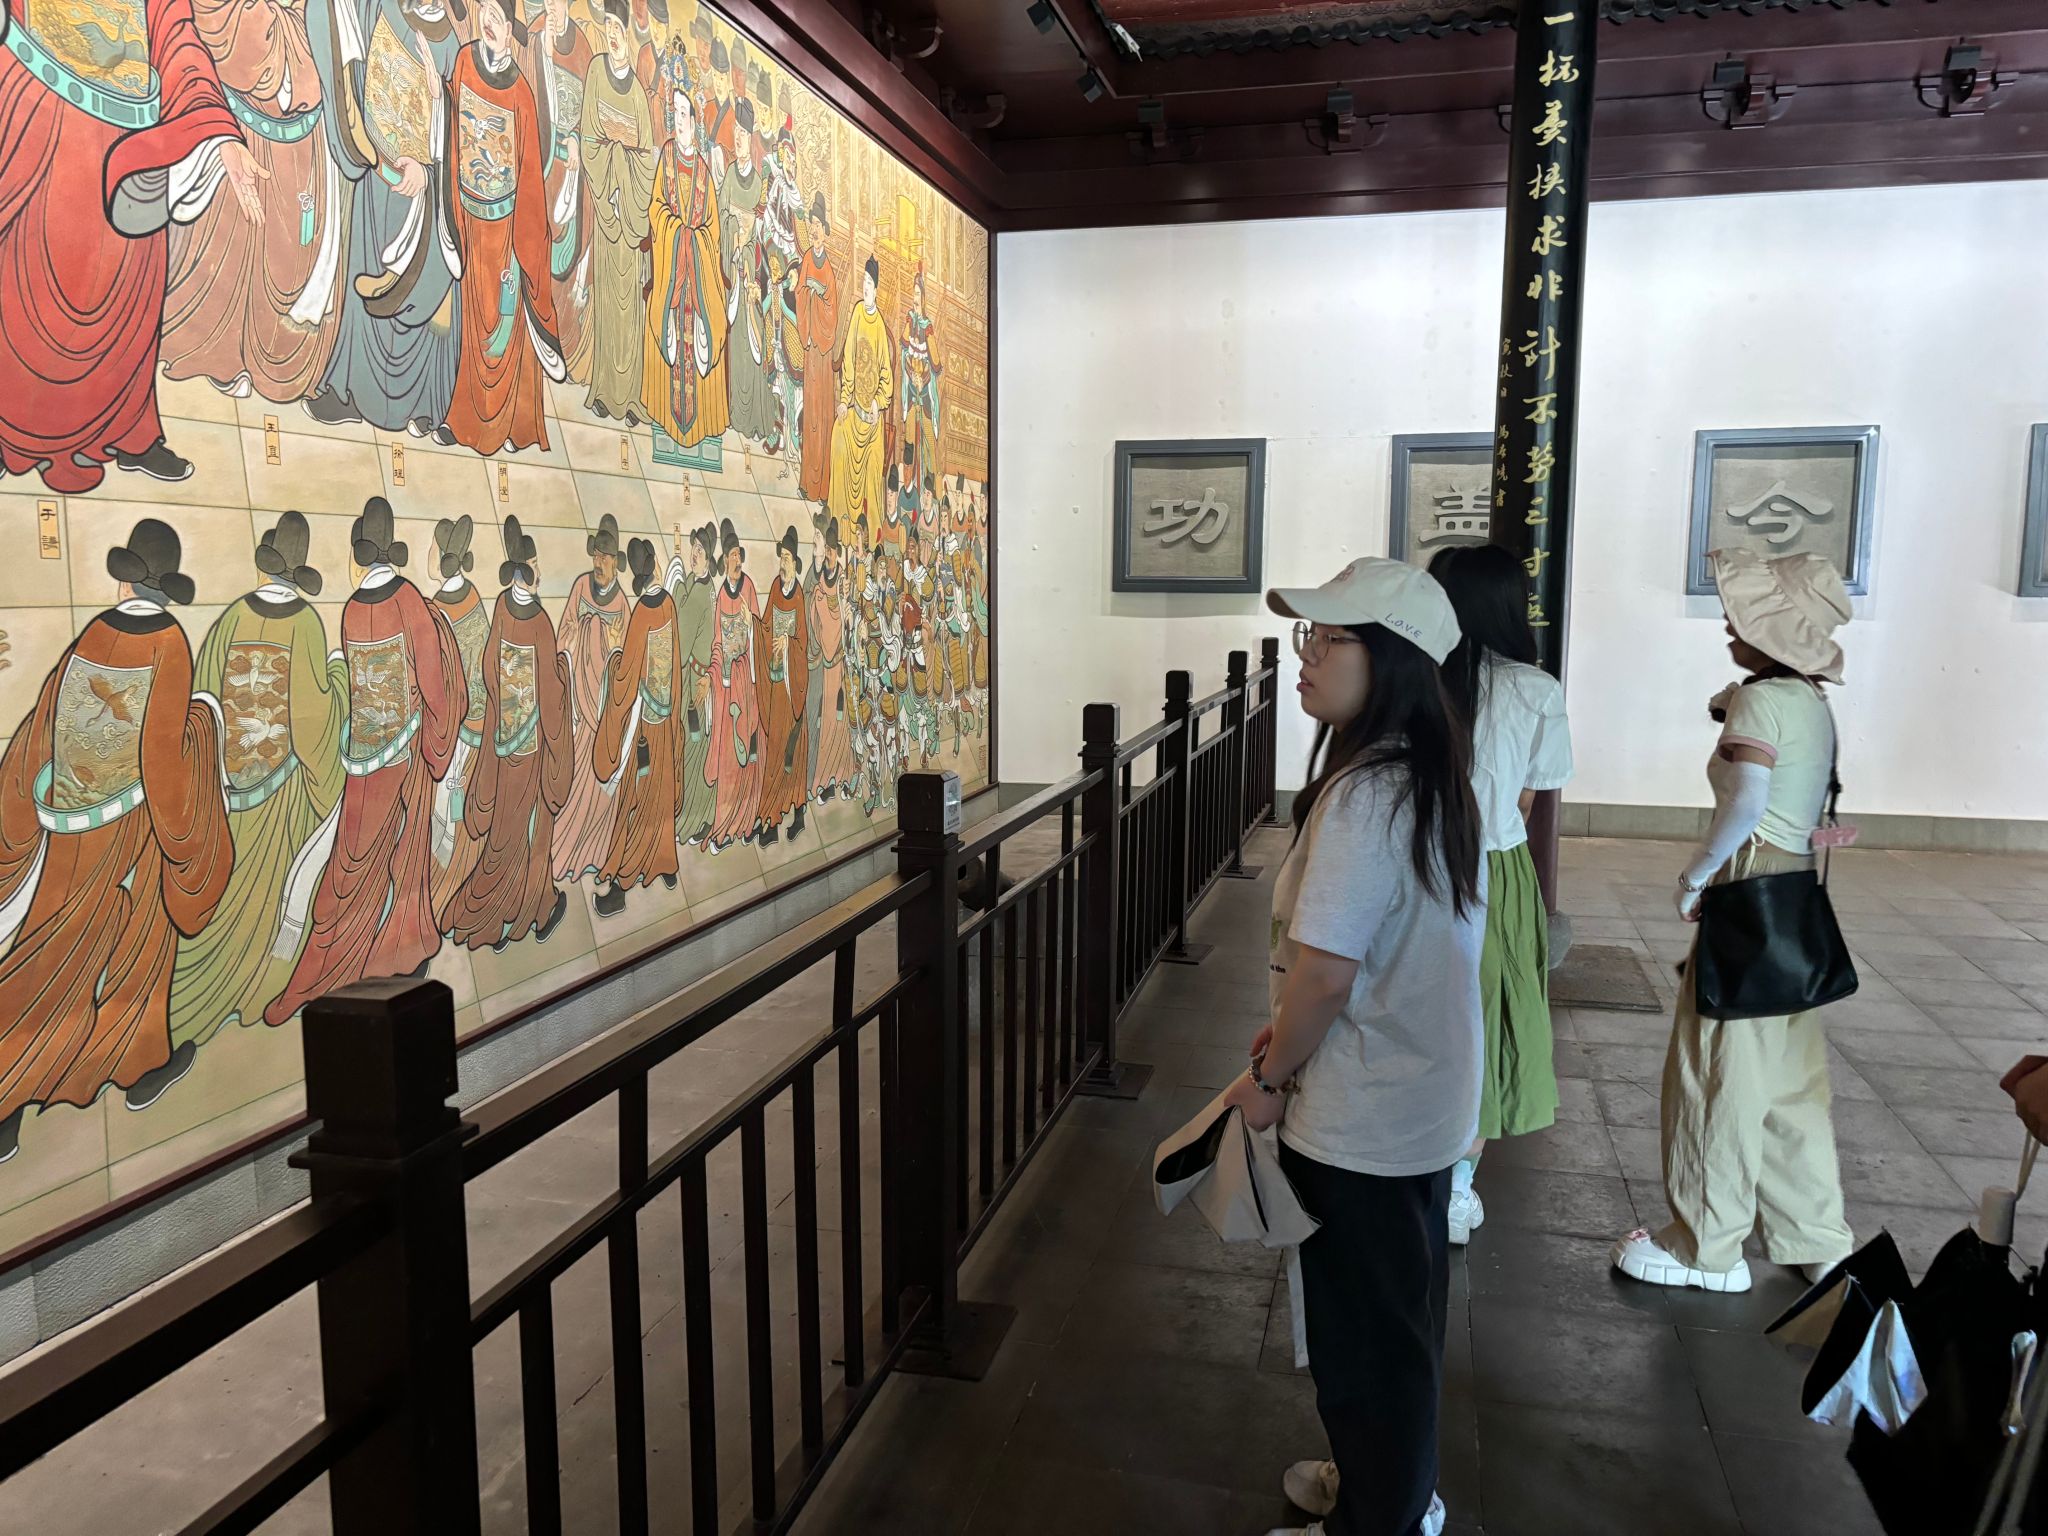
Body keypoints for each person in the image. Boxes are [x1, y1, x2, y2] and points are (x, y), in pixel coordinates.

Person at [1221, 557, 1484, 1536]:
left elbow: (1328, 977)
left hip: (1367, 1119)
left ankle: (1380, 1518)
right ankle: (1393, 1495)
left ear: (1393, 660)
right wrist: (1291, 1023)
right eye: (1310, 636)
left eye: (1329, 640)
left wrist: (1266, 1076)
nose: (1306, 657)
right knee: (1400, 1329)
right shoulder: (1428, 775)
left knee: (1365, 1347)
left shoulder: (1367, 796)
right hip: (1419, 1105)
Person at [1612, 549, 1858, 1294]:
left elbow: (1746, 803)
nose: (1728, 624)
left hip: (1748, 888)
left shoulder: (1761, 702)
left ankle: (1705, 1248)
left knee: (1715, 1074)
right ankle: (1816, 1236)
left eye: (1740, 616)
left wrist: (1695, 876)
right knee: (1791, 1082)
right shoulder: (1809, 700)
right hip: (1794, 896)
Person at [0, 521, 235, 1158]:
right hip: (132, 824)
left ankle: (15, 1099)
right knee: (143, 937)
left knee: (50, 942)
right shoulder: (168, 642)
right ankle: (134, 1067)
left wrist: (29, 807)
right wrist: (186, 831)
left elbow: (46, 720)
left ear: (126, 579)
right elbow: (161, 754)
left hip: (68, 818)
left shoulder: (94, 633)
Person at [263, 500, 467, 1024]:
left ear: (358, 559)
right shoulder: (411, 601)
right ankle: (403, 949)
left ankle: (334, 962)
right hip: (407, 756)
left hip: (365, 760)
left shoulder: (351, 610)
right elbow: (434, 684)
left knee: (351, 862)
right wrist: (438, 743)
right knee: (406, 855)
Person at [1428, 545, 1573, 1246]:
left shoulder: (1412, 675)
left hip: (1412, 862)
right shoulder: (1534, 689)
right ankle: (1455, 1189)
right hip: (1495, 867)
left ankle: (1401, 1168)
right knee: (1485, 1020)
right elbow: (1526, 798)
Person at [166, 514, 348, 1055]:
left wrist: (213, 775)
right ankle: (247, 999)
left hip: (228, 793)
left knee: (224, 896)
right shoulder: (306, 624)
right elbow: (314, 723)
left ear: (266, 565)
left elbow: (202, 702)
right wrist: (339, 678)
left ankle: (192, 1010)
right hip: (279, 798)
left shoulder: (232, 616)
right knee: (264, 903)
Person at [442, 0, 567, 456]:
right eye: (486, 13)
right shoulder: (464, 62)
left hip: (509, 229)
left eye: (498, 17)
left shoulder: (520, 92)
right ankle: (464, 423)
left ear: (511, 28)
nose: (489, 23)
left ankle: (512, 427)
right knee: (472, 330)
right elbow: (450, 134)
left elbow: (532, 173)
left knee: (506, 330)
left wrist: (525, 243)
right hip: (471, 221)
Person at [592, 538, 683, 915]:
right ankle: (666, 865)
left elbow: (626, 677)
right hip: (665, 717)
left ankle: (622, 881)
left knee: (635, 798)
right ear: (655, 568)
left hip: (644, 724)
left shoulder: (642, 614)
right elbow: (674, 663)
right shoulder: (668, 605)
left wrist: (615, 651)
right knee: (660, 793)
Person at [578, 0, 656, 421]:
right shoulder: (595, 71)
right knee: (607, 303)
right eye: (606, 25)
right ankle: (606, 390)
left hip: (629, 213)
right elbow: (589, 138)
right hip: (605, 207)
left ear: (627, 34)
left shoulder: (639, 95)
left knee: (631, 312)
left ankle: (629, 397)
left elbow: (646, 159)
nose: (611, 33)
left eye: (617, 27)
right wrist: (613, 160)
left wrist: (624, 164)